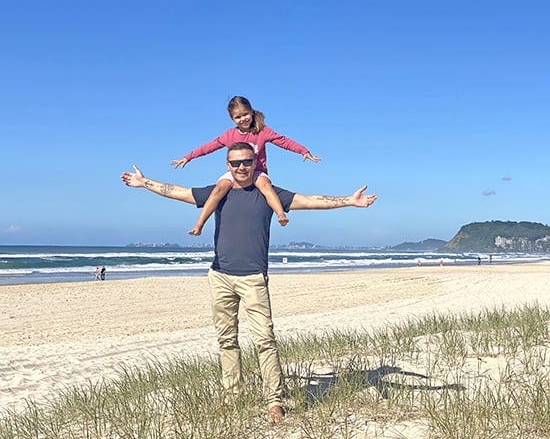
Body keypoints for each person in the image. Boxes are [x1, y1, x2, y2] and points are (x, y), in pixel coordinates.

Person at [122, 142, 376, 423]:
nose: (241, 167)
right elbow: (179, 192)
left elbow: (311, 200)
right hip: (219, 275)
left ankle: (274, 401)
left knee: (265, 340)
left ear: (255, 162)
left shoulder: (269, 194)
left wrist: (349, 201)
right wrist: (144, 182)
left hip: (253, 278)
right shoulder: (219, 193)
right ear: (227, 165)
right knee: (226, 340)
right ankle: (232, 396)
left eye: (246, 162)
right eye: (235, 163)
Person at [171, 95, 321, 235]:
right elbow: (210, 146)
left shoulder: (262, 131)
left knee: (266, 187)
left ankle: (281, 215)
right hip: (235, 172)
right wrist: (188, 157)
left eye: (245, 114)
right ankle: (199, 225)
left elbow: (283, 141)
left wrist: (303, 151)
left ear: (251, 112)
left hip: (257, 172)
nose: (243, 119)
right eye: (238, 117)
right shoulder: (229, 135)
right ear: (232, 119)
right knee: (218, 190)